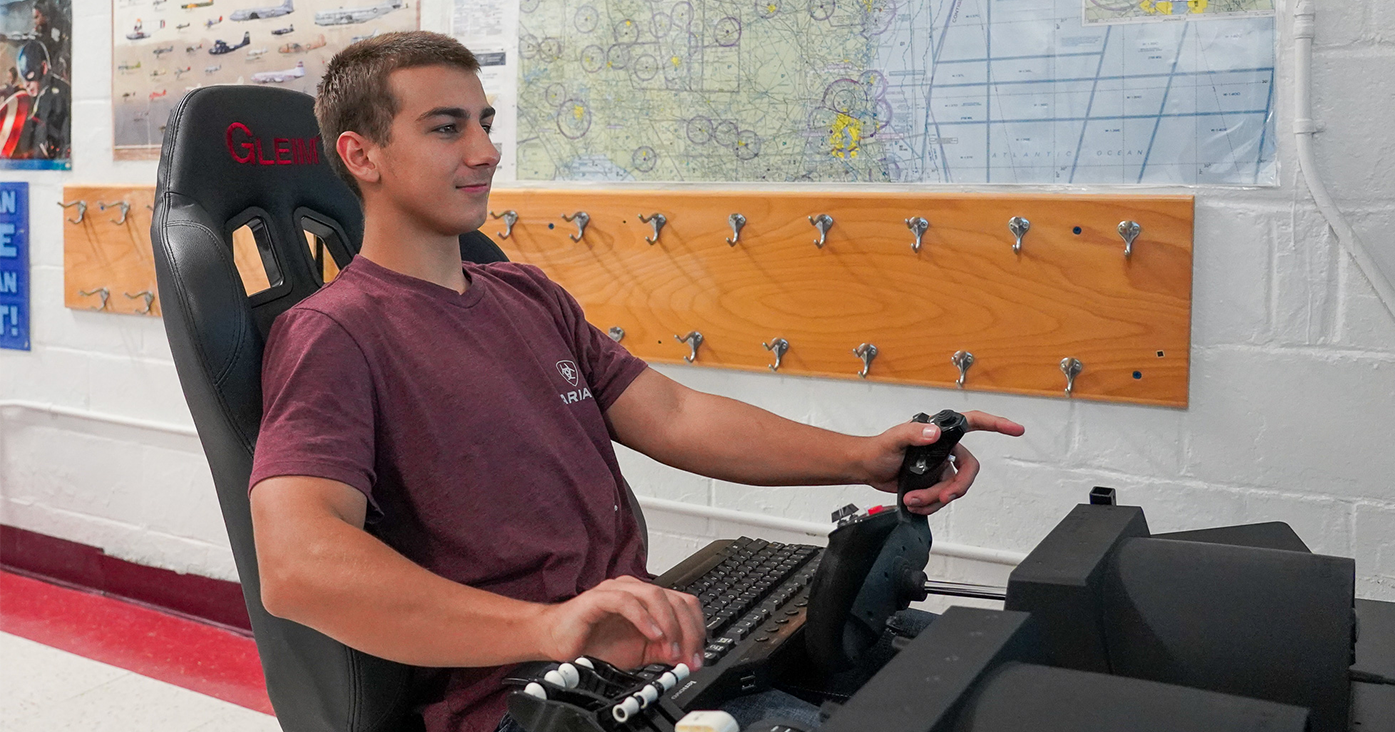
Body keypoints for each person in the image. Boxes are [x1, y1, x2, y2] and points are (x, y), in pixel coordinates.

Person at [248, 30, 1025, 732]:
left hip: (648, 660)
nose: (485, 151)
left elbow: (676, 413)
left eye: (486, 123)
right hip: (532, 697)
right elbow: (298, 566)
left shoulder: (527, 295)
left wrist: (865, 457)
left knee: (974, 671)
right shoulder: (336, 332)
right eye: (447, 127)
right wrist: (552, 629)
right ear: (361, 155)